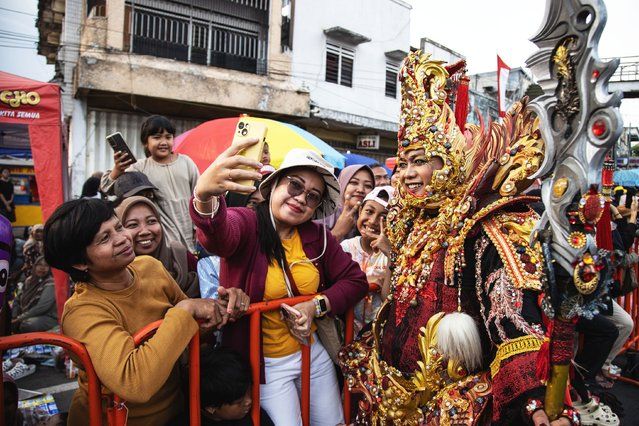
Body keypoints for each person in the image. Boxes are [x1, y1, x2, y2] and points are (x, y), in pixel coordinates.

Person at [339, 52, 580, 425]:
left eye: (418, 160)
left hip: (446, 401)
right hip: (387, 384)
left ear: (448, 160)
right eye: (402, 163)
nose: (405, 174)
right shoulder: (411, 221)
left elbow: (512, 318)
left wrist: (534, 400)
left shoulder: (481, 224)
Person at [190, 146, 368, 426]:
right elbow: (218, 236)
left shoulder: (319, 236)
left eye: (312, 196)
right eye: (295, 185)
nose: (301, 199)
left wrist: (315, 305)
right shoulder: (247, 222)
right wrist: (204, 196)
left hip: (313, 352)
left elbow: (355, 280)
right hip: (266, 365)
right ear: (274, 185)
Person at [43, 198, 249, 425]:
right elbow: (134, 382)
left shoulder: (150, 267)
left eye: (118, 227)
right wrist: (185, 309)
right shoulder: (82, 311)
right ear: (80, 263)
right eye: (105, 238)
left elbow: (190, 332)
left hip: (177, 413)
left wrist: (222, 306)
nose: (122, 238)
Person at [100, 115, 200, 251]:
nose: (163, 142)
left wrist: (198, 227)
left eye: (168, 137)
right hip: (164, 235)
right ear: (145, 142)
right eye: (157, 137)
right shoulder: (139, 167)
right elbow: (107, 188)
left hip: (189, 230)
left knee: (191, 264)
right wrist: (118, 169)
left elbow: (198, 194)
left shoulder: (186, 162)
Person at [115, 196, 200, 297]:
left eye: (151, 221)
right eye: (133, 225)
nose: (145, 231)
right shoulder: (116, 275)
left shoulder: (181, 257)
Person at [340, 186, 393, 333]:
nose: (373, 221)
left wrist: (390, 255)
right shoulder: (346, 247)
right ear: (359, 211)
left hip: (379, 333)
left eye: (384, 217)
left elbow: (387, 298)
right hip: (348, 330)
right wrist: (364, 283)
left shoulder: (393, 254)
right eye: (369, 211)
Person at [200, 345, 274, 426]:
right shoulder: (192, 422)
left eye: (249, 391)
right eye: (239, 402)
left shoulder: (256, 415)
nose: (249, 401)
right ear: (210, 407)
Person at [324, 164, 374, 242]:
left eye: (368, 186)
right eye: (354, 183)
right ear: (342, 184)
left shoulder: (373, 219)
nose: (361, 190)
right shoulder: (324, 213)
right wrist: (338, 231)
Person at [11, 257, 58, 333]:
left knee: (27, 325)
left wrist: (19, 319)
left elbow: (42, 307)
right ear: (34, 266)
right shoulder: (29, 281)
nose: (42, 268)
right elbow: (17, 299)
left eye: (46, 266)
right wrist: (14, 315)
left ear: (49, 268)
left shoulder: (51, 284)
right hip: (27, 314)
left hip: (47, 316)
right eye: (39, 265)